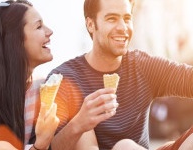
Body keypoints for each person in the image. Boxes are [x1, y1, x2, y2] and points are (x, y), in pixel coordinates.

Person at [46, 0, 193, 149]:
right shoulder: (62, 78)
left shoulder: (143, 65)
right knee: (125, 146)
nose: (123, 27)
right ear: (90, 24)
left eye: (127, 18)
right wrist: (79, 124)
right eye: (112, 19)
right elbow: (49, 147)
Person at [0, 0, 59, 149]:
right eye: (39, 26)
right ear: (16, 40)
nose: (49, 31)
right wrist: (41, 144)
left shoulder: (40, 90)